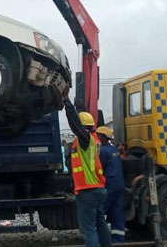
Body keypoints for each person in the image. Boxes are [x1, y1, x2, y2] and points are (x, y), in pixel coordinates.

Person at [63, 98, 112, 247]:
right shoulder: (95, 140)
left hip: (87, 189)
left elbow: (75, 125)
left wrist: (67, 102)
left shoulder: (86, 139)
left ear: (83, 127)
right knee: (100, 223)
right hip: (98, 188)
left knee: (88, 230)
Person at [96, 126, 126, 243]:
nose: (96, 137)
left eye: (98, 135)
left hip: (109, 185)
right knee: (117, 212)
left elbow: (99, 168)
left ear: (103, 137)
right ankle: (118, 240)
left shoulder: (103, 151)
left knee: (99, 212)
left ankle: (100, 239)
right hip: (119, 185)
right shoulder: (114, 149)